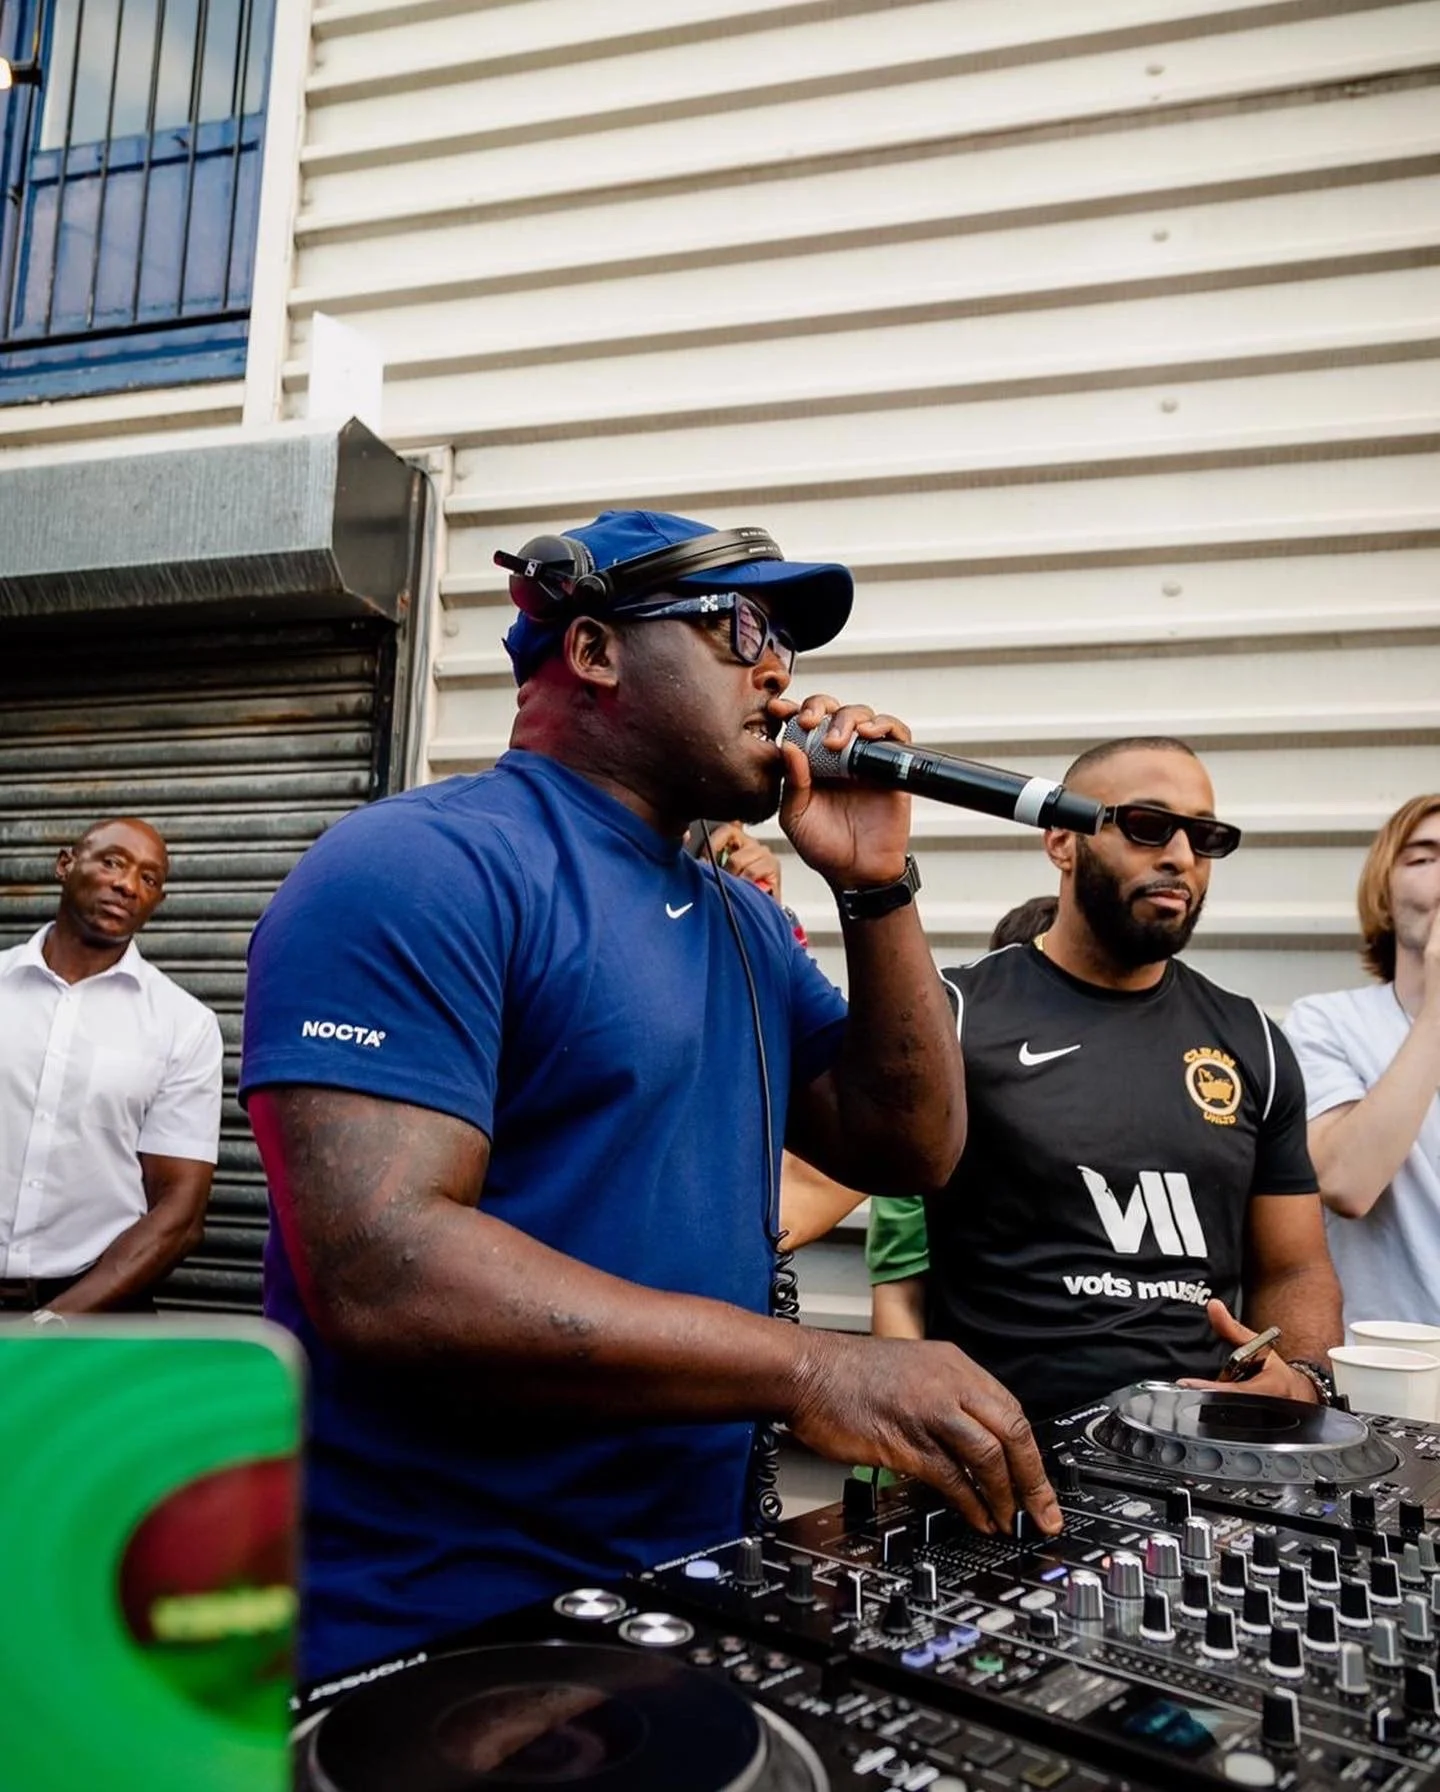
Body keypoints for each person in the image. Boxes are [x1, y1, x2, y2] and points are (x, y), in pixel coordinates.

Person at [239, 508, 1061, 1680]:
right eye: (740, 630)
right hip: (433, 1617)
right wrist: (813, 1368)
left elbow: (910, 1145)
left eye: (786, 644)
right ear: (593, 649)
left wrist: (877, 887)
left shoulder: (741, 921)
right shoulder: (417, 866)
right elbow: (383, 1265)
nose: (777, 672)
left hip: (681, 1589)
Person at [852, 738, 1341, 1416]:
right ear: (1061, 841)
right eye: (1147, 826)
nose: (1180, 856)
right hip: (1005, 1452)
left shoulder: (1251, 1040)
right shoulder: (953, 1014)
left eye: (1205, 837)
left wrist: (1304, 1377)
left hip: (1205, 1450)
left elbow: (1296, 1266)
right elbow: (805, 1186)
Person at [0, 818, 222, 1321]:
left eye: (149, 878)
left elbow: (180, 1214)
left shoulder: (183, 1024)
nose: (127, 885)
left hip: (98, 1310)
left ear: (157, 901)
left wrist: (55, 1324)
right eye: (113, 862)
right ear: (65, 864)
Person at [1284, 796, 1440, 1327]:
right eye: (1424, 858)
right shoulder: (1327, 1022)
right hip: (1383, 1367)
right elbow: (1346, 1183)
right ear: (1384, 894)